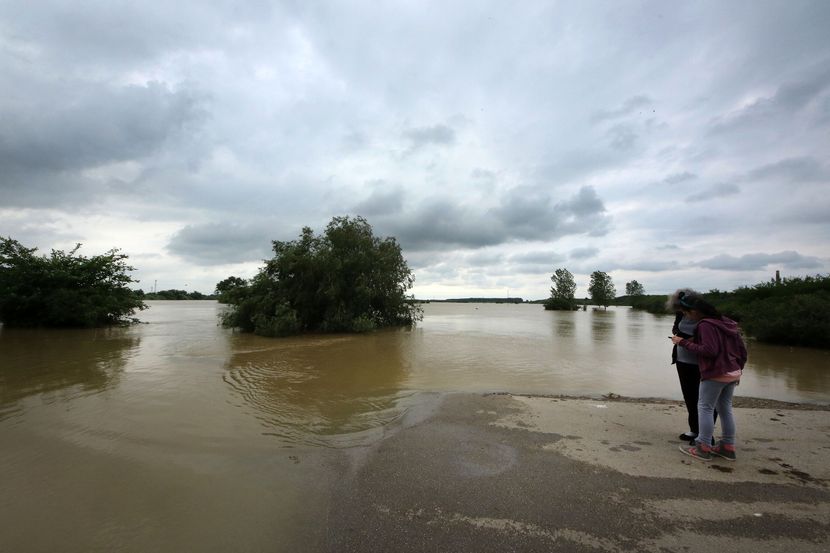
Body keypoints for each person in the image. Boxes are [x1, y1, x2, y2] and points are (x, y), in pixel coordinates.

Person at [671, 291, 747, 461]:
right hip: (731, 371)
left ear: (695, 312)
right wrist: (739, 369)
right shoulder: (727, 322)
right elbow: (742, 350)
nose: (686, 316)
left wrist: (682, 342)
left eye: (687, 313)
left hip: (714, 372)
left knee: (705, 407)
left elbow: (709, 351)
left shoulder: (705, 325)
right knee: (725, 408)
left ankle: (703, 447)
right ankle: (728, 447)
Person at [666, 289, 716, 445]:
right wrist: (678, 336)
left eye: (683, 309)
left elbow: (710, 342)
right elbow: (676, 328)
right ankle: (694, 430)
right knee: (690, 397)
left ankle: (706, 436)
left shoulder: (709, 318)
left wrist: (688, 340)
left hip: (704, 363)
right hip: (683, 360)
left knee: (706, 401)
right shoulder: (681, 314)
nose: (681, 312)